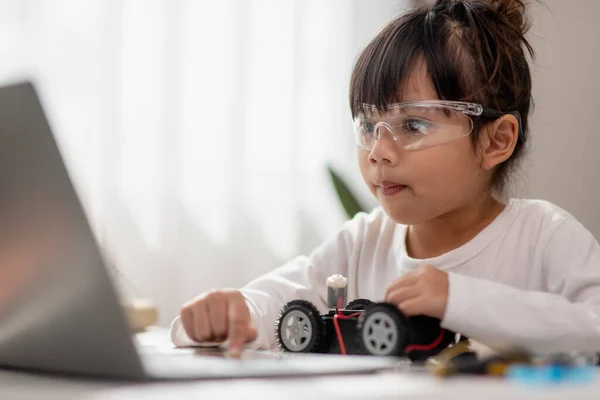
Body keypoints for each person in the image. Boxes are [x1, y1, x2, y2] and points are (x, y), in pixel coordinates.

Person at [171, 0, 600, 357]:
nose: (378, 151)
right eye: (368, 126)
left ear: (495, 142)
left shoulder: (543, 237)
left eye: (413, 125)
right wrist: (232, 313)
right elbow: (278, 305)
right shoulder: (364, 242)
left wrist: (459, 299)